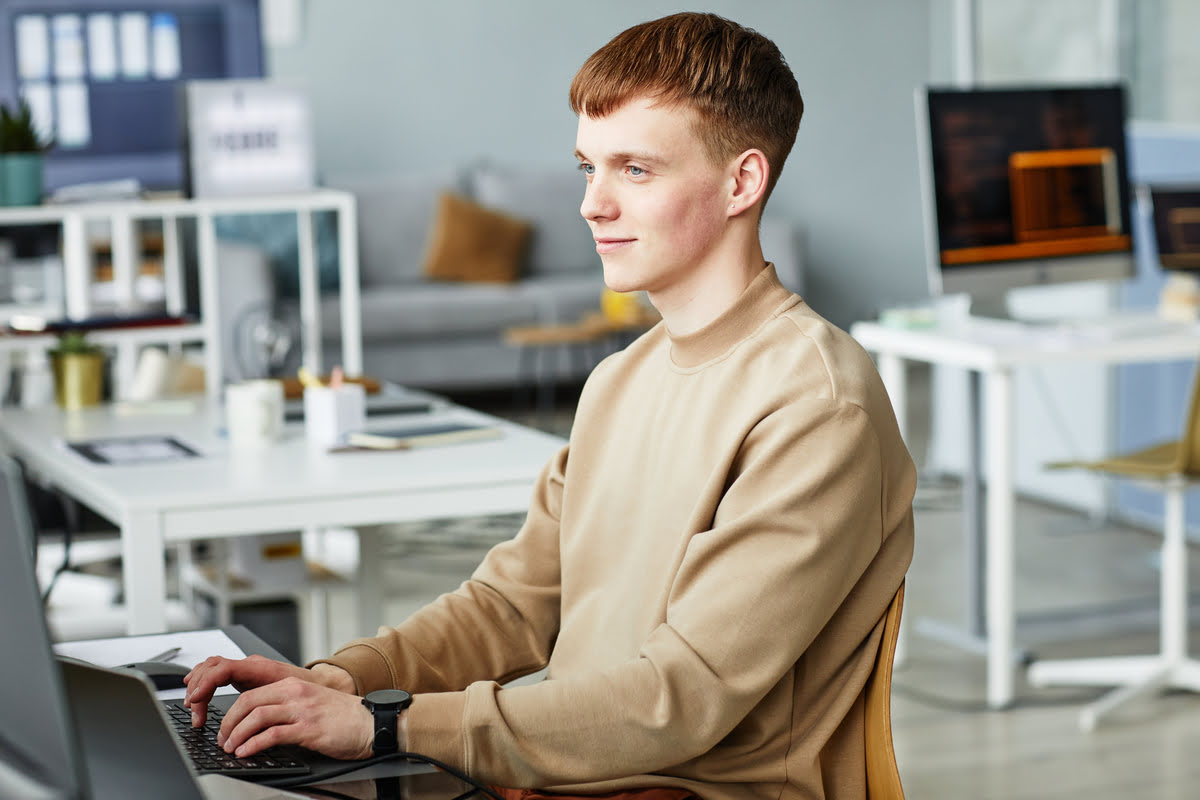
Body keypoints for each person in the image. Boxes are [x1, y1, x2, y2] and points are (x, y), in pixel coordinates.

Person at [184, 12, 915, 800]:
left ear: (741, 182)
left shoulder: (817, 404)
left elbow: (681, 699)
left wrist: (386, 725)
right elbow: (513, 606)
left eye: (635, 170)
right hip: (566, 775)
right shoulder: (620, 380)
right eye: (587, 168)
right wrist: (334, 681)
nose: (593, 205)